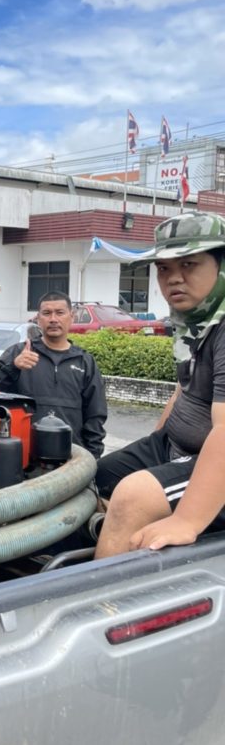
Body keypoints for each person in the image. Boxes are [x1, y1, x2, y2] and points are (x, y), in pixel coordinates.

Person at [95, 211, 225, 558]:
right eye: (164, 268)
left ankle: (102, 606)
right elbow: (186, 388)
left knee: (133, 495)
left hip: (213, 461)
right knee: (94, 476)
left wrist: (187, 519)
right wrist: (156, 439)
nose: (174, 279)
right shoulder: (197, 318)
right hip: (177, 447)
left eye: (189, 265)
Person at [0, 292, 107, 458]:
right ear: (38, 318)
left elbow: (95, 415)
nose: (53, 319)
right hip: (22, 456)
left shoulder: (85, 362)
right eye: (47, 313)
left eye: (60, 313)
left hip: (70, 457)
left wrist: (92, 458)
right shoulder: (19, 353)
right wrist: (13, 368)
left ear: (72, 317)